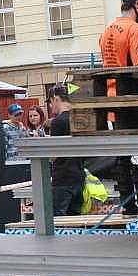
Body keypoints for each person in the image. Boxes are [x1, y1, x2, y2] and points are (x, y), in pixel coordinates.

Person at [99, 0, 138, 214]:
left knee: (122, 156)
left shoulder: (107, 31)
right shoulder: (137, 31)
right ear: (137, 4)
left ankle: (126, 205)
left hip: (113, 103)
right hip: (136, 104)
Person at [48, 84, 86, 216]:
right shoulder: (80, 119)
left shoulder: (57, 122)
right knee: (75, 220)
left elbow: (54, 155)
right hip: (79, 176)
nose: (50, 106)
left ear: (56, 98)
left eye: (51, 102)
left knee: (59, 220)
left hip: (63, 178)